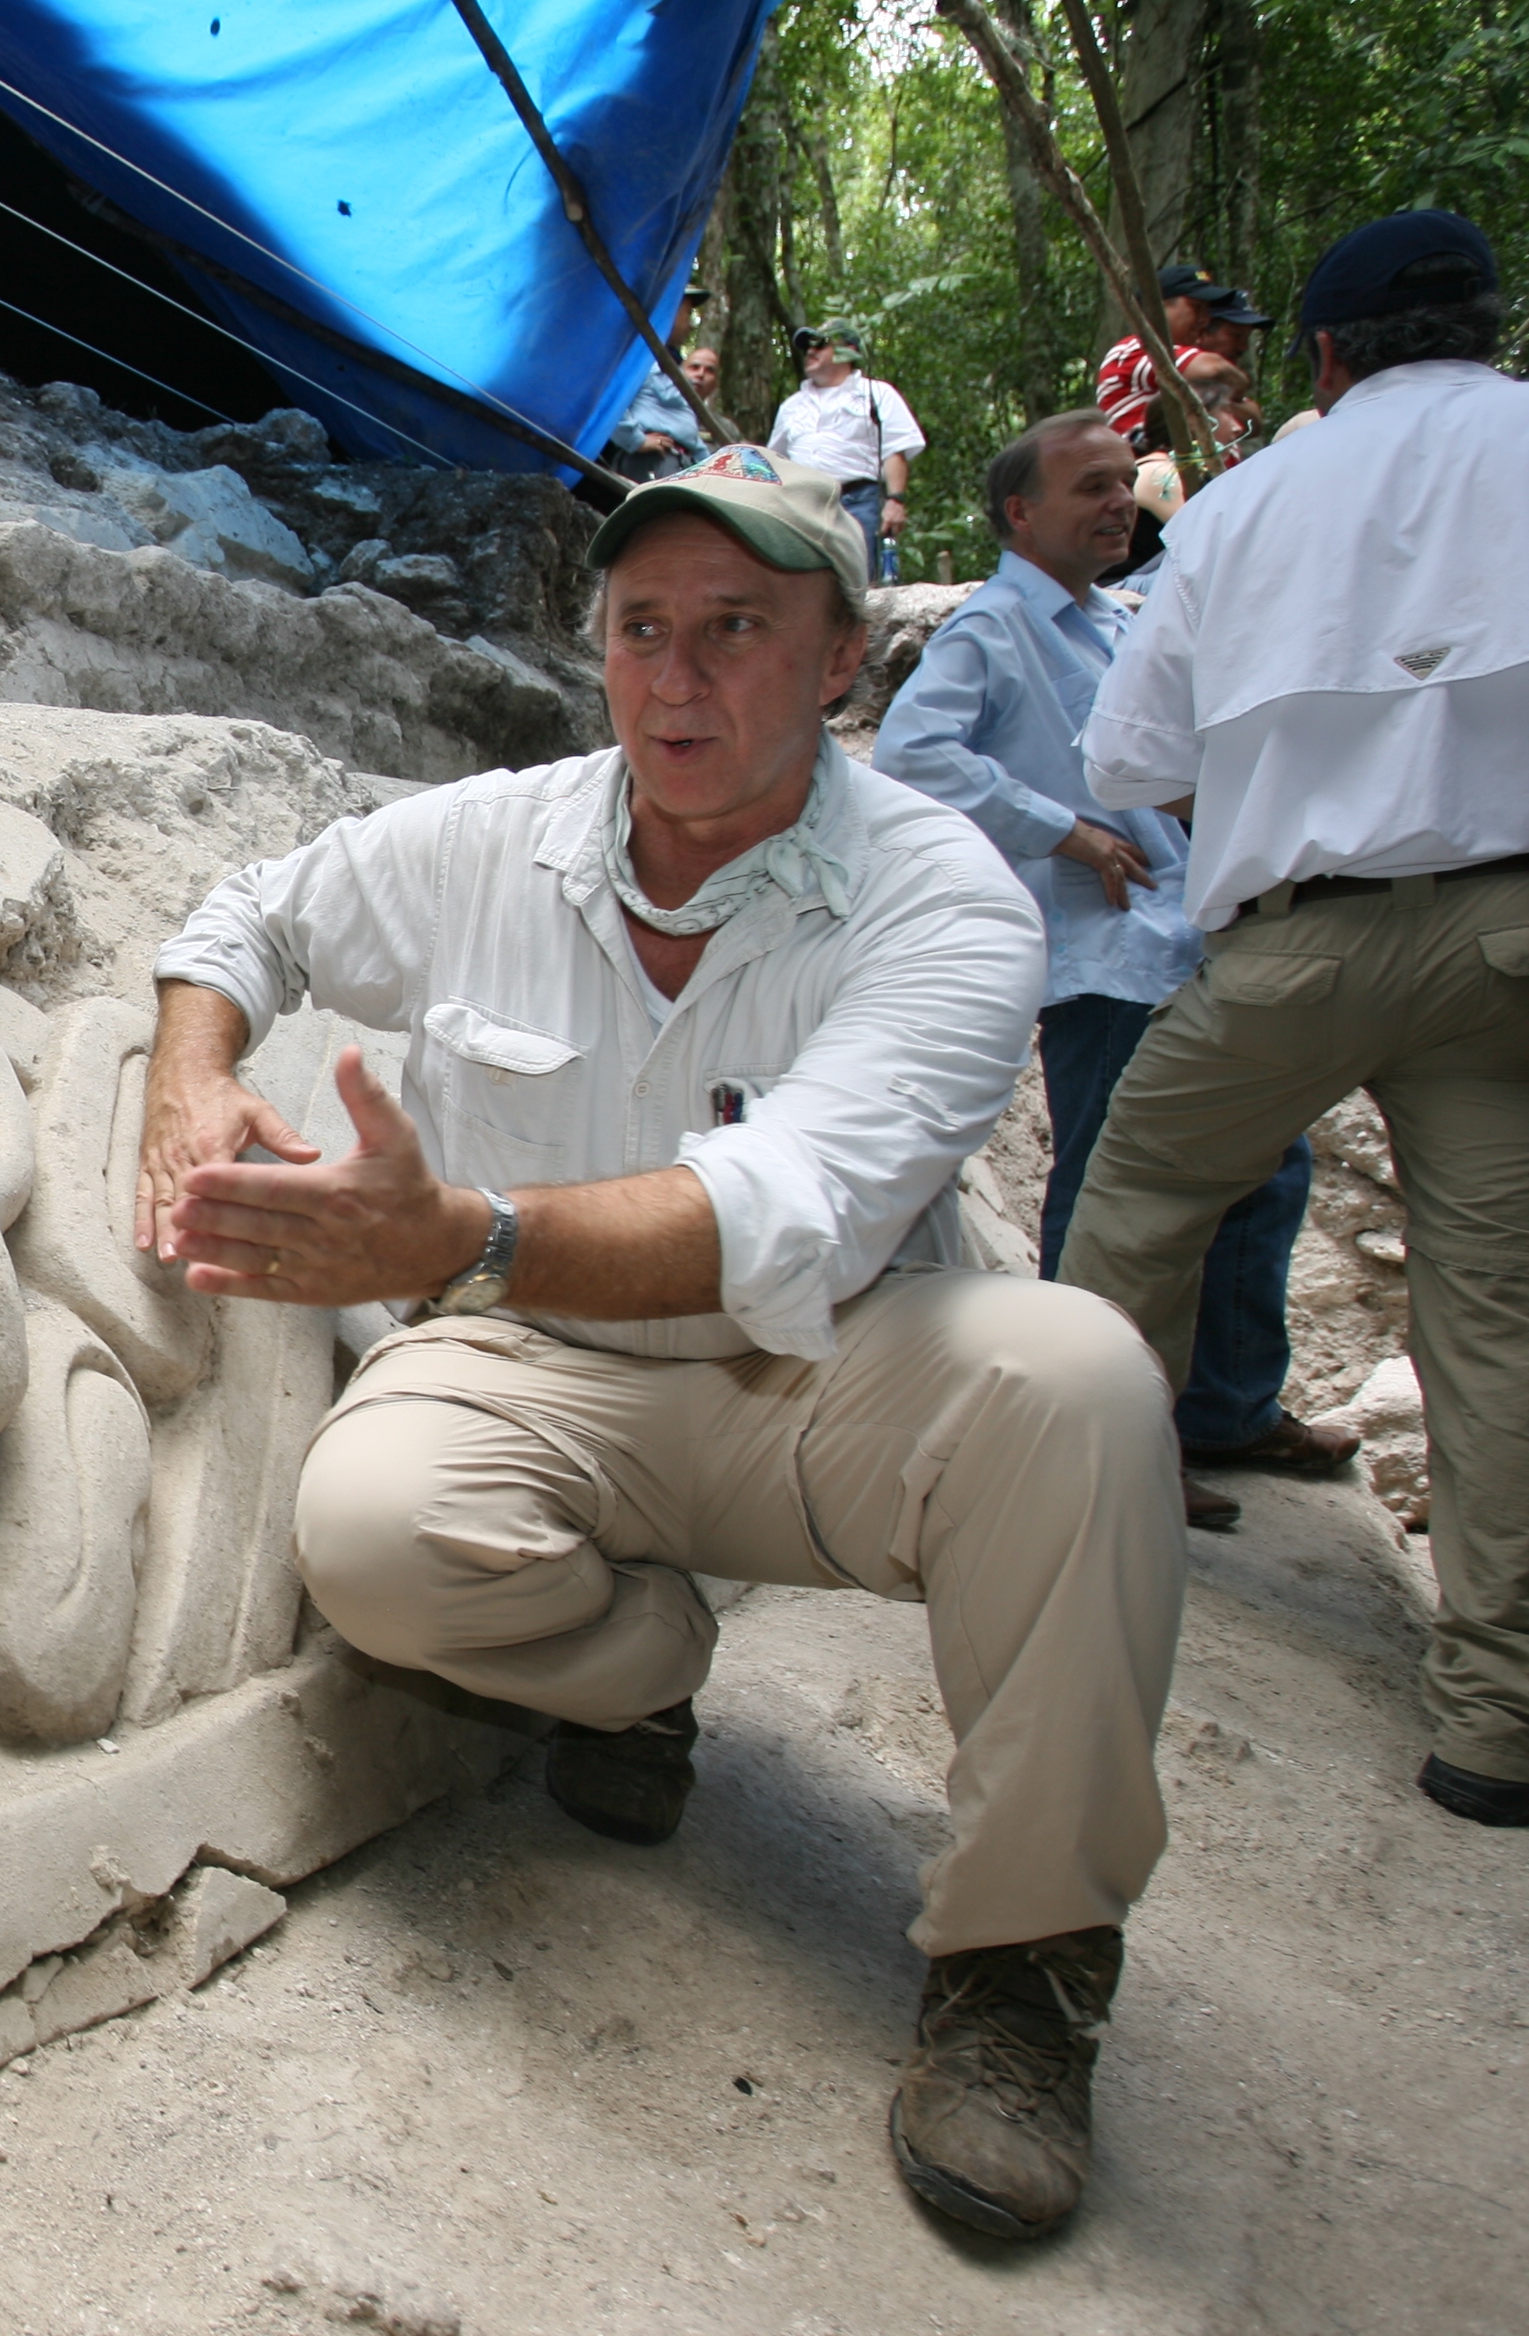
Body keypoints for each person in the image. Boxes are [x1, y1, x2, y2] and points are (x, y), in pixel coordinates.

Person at [137, 446, 1184, 2240]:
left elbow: (791, 1208)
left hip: (819, 1375)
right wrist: (191, 1078)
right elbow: (247, 913)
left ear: (839, 657)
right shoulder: (500, 833)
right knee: (372, 1532)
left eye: (733, 630)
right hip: (532, 1358)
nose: (675, 679)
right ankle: (638, 1676)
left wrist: (457, 1234)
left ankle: (1020, 1964)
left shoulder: (942, 899)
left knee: (1074, 1381)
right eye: (639, 630)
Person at [1057, 211, 1529, 1830]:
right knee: (1491, 1320)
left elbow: (1122, 764)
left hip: (1294, 943)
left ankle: (1056, 1573)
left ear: (1320, 358)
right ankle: (1494, 1715)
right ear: (1485, 321)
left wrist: (1277, 788)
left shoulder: (1248, 506)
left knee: (1131, 1212)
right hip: (1507, 936)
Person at [873, 413, 1355, 1530]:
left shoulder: (1114, 618)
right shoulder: (991, 630)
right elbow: (914, 753)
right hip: (1100, 961)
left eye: (1120, 488)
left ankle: (1228, 1405)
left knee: (1268, 1167)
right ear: (1018, 514)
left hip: (1185, 939)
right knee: (1113, 1195)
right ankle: (1112, 1428)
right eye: (1088, 487)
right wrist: (1064, 830)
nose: (1117, 505)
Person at [767, 323, 923, 578]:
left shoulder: (876, 394)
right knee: (801, 582)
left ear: (848, 350)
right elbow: (776, 461)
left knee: (858, 584)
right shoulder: (792, 405)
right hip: (801, 505)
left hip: (857, 502)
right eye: (807, 347)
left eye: (820, 344)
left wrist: (896, 500)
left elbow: (896, 449)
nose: (810, 351)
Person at [1096, 264, 1273, 449]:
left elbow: (1254, 421)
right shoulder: (1133, 349)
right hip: (1156, 473)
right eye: (1196, 307)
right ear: (1156, 306)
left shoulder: (1185, 363)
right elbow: (1216, 370)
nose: (1204, 319)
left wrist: (1216, 404)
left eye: (1207, 310)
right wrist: (1221, 399)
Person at [609, 296, 711, 481]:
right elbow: (609, 398)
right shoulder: (639, 356)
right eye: (688, 314)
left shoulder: (670, 364)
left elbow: (686, 429)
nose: (691, 325)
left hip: (680, 461)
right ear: (670, 310)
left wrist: (711, 467)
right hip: (654, 459)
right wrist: (635, 440)